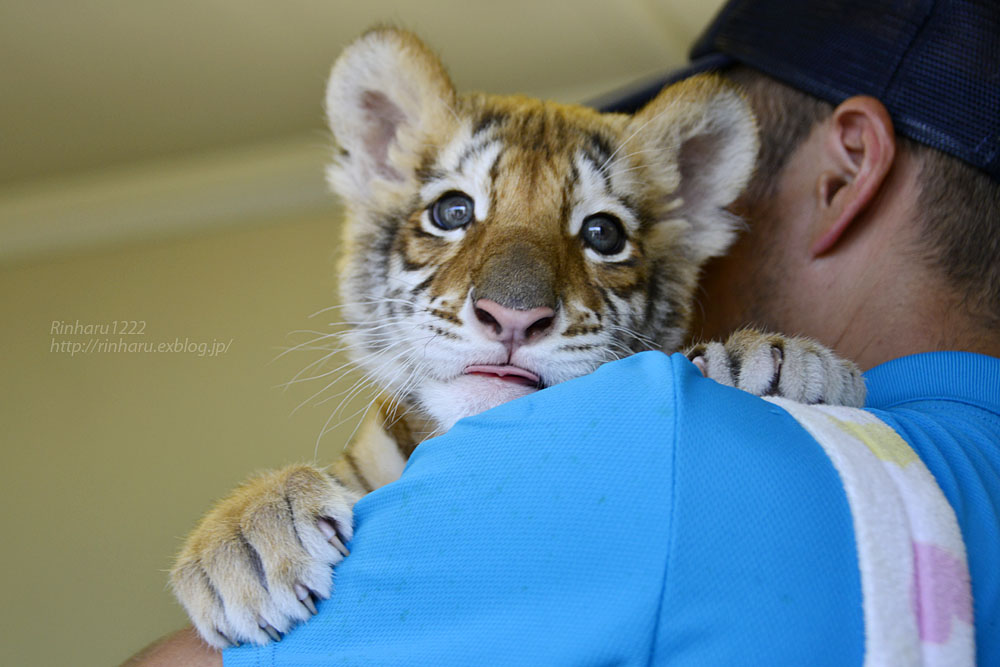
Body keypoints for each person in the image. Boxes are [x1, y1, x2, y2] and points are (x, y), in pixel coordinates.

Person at [127, 0, 1000, 664]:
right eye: (457, 211)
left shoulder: (661, 443)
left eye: (605, 232)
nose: (517, 298)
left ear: (846, 177)